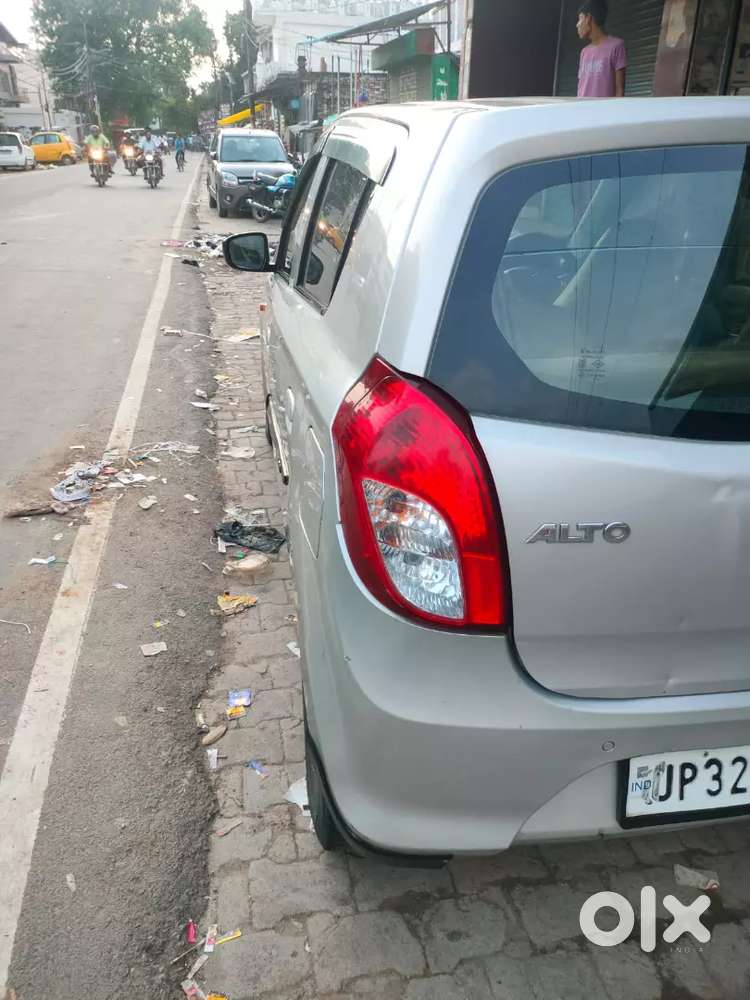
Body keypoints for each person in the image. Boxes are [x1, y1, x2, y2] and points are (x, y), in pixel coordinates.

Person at [576, 1, 627, 98]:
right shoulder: (584, 52)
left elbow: (619, 90)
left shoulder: (616, 46)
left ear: (588, 18)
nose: (577, 25)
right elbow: (580, 88)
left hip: (603, 111)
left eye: (580, 19)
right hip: (582, 110)